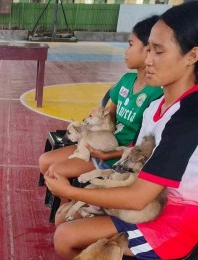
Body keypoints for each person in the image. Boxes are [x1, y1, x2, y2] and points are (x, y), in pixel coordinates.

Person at [45, 2, 198, 259]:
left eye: (158, 52)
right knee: (65, 219)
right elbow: (135, 158)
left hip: (172, 222)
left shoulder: (189, 116)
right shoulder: (156, 106)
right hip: (149, 205)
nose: (148, 60)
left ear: (192, 56)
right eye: (147, 49)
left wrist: (71, 192)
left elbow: (139, 198)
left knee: (66, 236)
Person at [39, 15, 163, 207]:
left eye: (130, 44)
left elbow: (143, 145)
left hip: (117, 154)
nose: (126, 50)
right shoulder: (126, 81)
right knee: (44, 162)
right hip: (99, 143)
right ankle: (69, 206)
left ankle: (70, 209)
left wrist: (108, 154)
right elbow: (107, 117)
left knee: (56, 171)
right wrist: (86, 130)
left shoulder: (156, 93)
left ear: (149, 50)